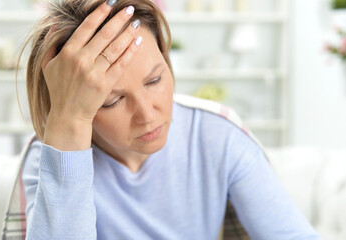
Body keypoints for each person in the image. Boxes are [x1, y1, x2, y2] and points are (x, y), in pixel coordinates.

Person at [18, 0, 321, 239]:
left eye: (154, 80)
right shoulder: (49, 159)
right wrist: (68, 123)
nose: (148, 115)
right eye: (112, 100)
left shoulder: (216, 136)